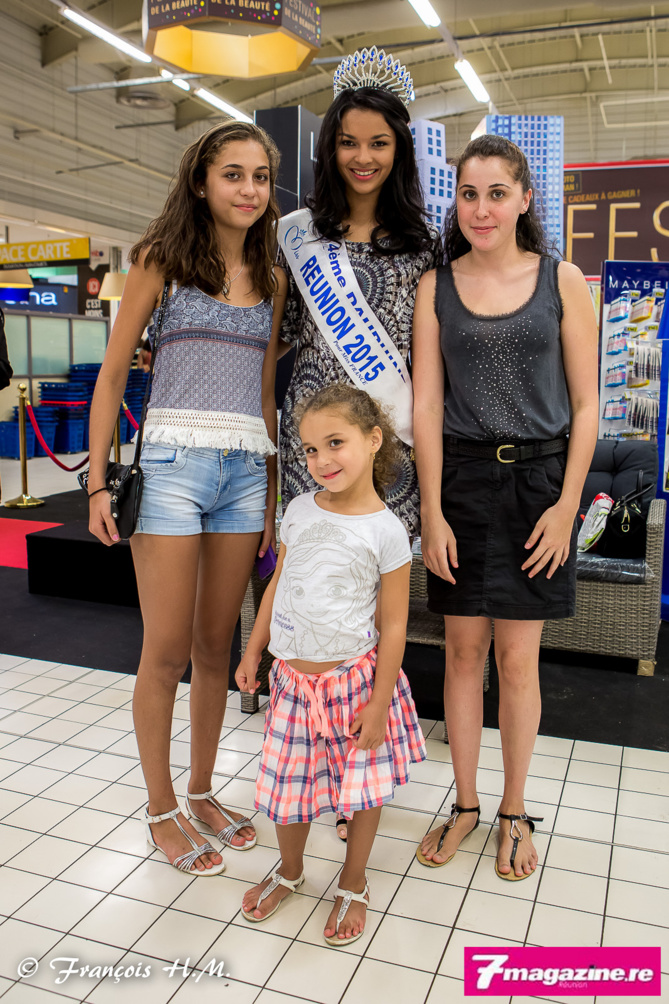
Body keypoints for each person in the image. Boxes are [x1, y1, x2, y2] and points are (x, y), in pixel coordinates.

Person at [87, 121, 287, 875]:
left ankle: (203, 791)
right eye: (233, 174)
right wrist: (97, 480)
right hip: (170, 467)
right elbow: (113, 374)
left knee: (214, 648)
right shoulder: (160, 260)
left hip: (244, 472)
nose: (248, 189)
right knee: (165, 650)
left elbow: (264, 393)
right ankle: (160, 806)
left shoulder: (272, 278)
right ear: (201, 181)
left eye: (260, 176)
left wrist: (270, 496)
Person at [412, 135, 598, 880]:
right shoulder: (436, 286)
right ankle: (464, 804)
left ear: (524, 198)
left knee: (518, 660)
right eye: (468, 194)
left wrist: (566, 507)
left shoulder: (562, 279)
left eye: (496, 193)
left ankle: (513, 810)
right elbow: (427, 406)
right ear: (454, 202)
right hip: (460, 483)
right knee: (461, 654)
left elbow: (586, 406)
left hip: (538, 487)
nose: (481, 209)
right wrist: (431, 509)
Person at [236, 383, 425, 944]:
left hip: (355, 685)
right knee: (287, 787)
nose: (321, 460)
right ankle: (290, 870)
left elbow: (395, 625)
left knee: (361, 791)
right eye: (310, 449)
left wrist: (380, 702)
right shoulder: (297, 510)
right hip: (292, 685)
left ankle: (354, 880)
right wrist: (254, 648)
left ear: (374, 440)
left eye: (335, 443)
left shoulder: (387, 531)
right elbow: (278, 583)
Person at [277, 47, 437, 542]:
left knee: (384, 573)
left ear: (399, 150)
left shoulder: (425, 246)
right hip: (313, 444)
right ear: (331, 148)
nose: (363, 158)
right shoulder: (297, 236)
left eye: (379, 144)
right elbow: (278, 337)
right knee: (314, 567)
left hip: (390, 444)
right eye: (349, 143)